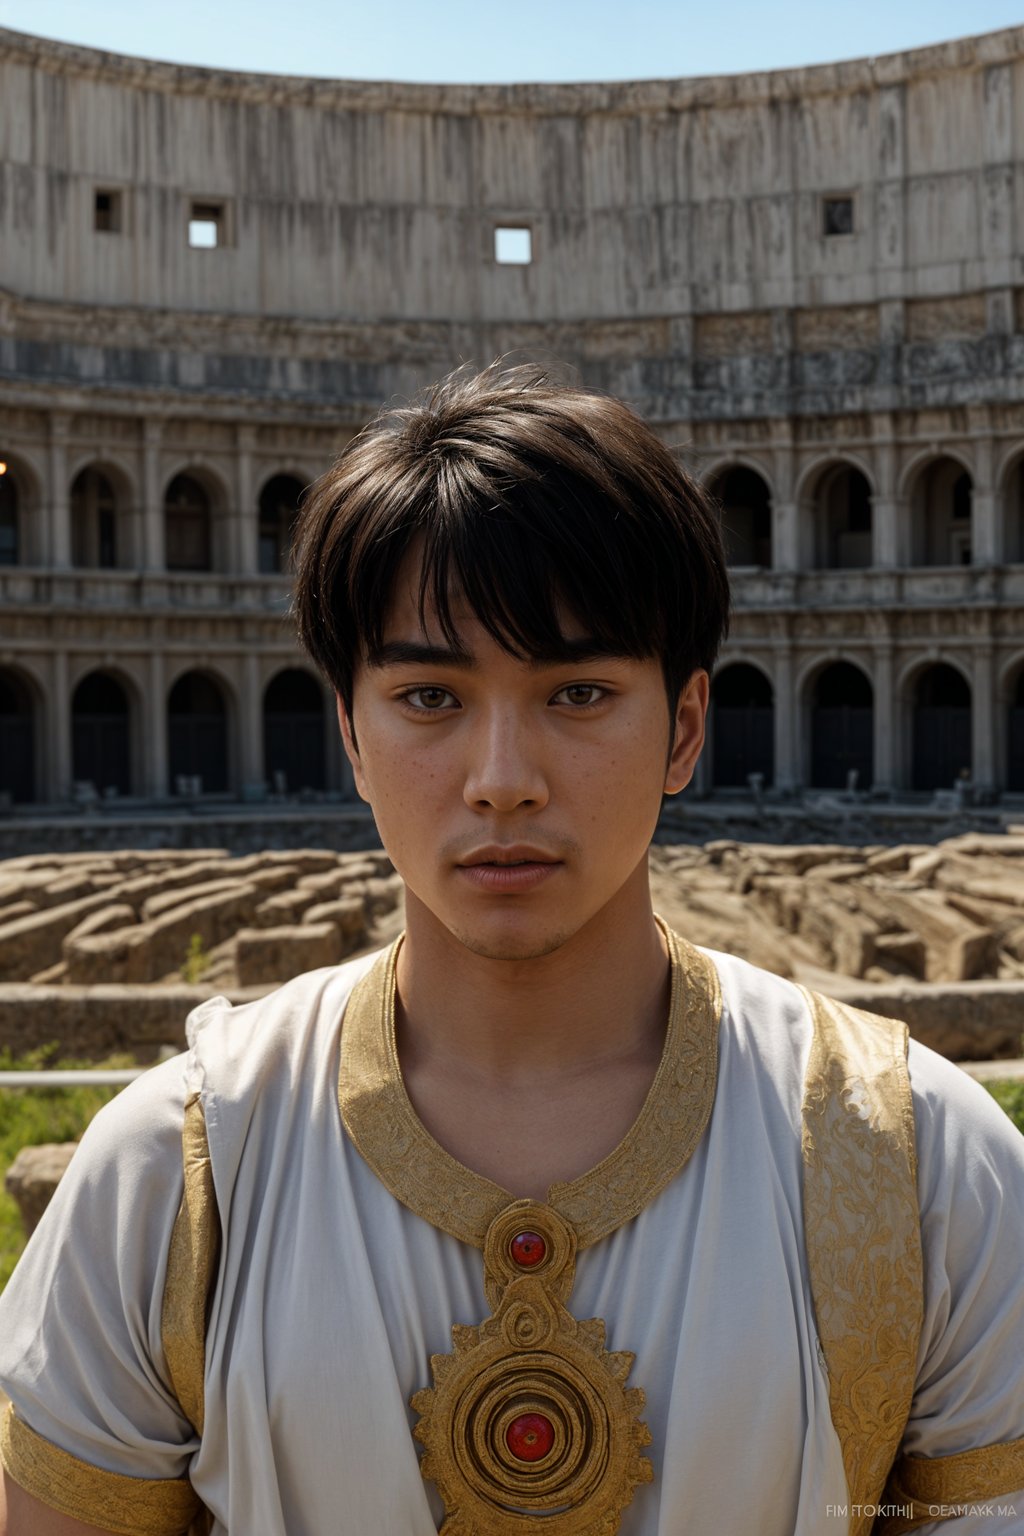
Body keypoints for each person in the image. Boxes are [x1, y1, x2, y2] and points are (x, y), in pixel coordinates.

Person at [1, 363, 1023, 1536]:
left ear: (684, 728)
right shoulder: (173, 1179)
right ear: (351, 733)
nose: (501, 783)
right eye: (430, 697)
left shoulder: (925, 1166)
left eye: (578, 693)